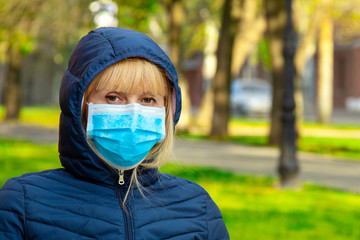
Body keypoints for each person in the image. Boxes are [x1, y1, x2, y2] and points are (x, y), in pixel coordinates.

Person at [0, 27, 229, 240]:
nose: (133, 112)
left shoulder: (199, 210)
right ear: (78, 103)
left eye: (148, 99)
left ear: (167, 110)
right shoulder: (22, 204)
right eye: (114, 97)